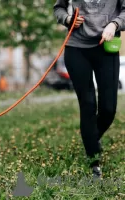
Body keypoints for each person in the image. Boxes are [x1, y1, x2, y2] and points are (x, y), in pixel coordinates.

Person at [53, 0, 125, 178]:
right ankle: (94, 163)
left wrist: (114, 24)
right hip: (76, 48)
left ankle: (91, 137)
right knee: (88, 104)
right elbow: (58, 8)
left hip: (106, 47)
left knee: (108, 108)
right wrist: (68, 19)